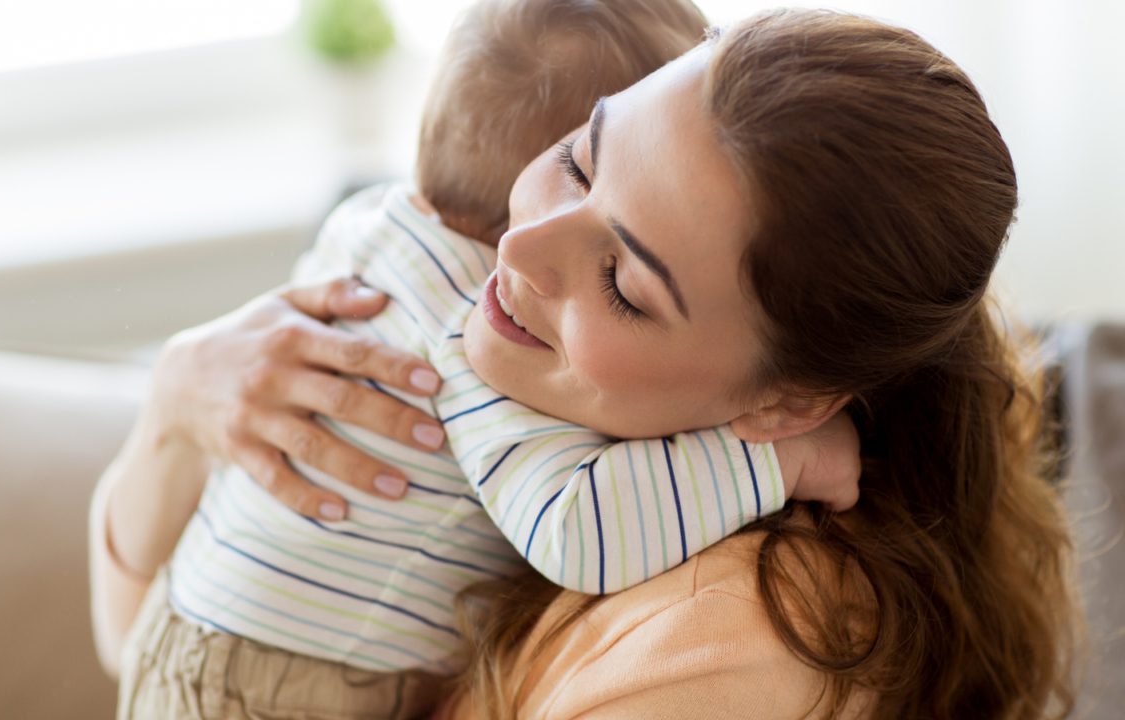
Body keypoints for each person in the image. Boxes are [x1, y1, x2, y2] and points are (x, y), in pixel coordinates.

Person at [93, 6, 1080, 720]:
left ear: (786, 406)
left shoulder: (713, 657)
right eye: (577, 156)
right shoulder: (493, 360)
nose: (514, 251)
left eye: (623, 282)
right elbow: (141, 651)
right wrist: (176, 410)